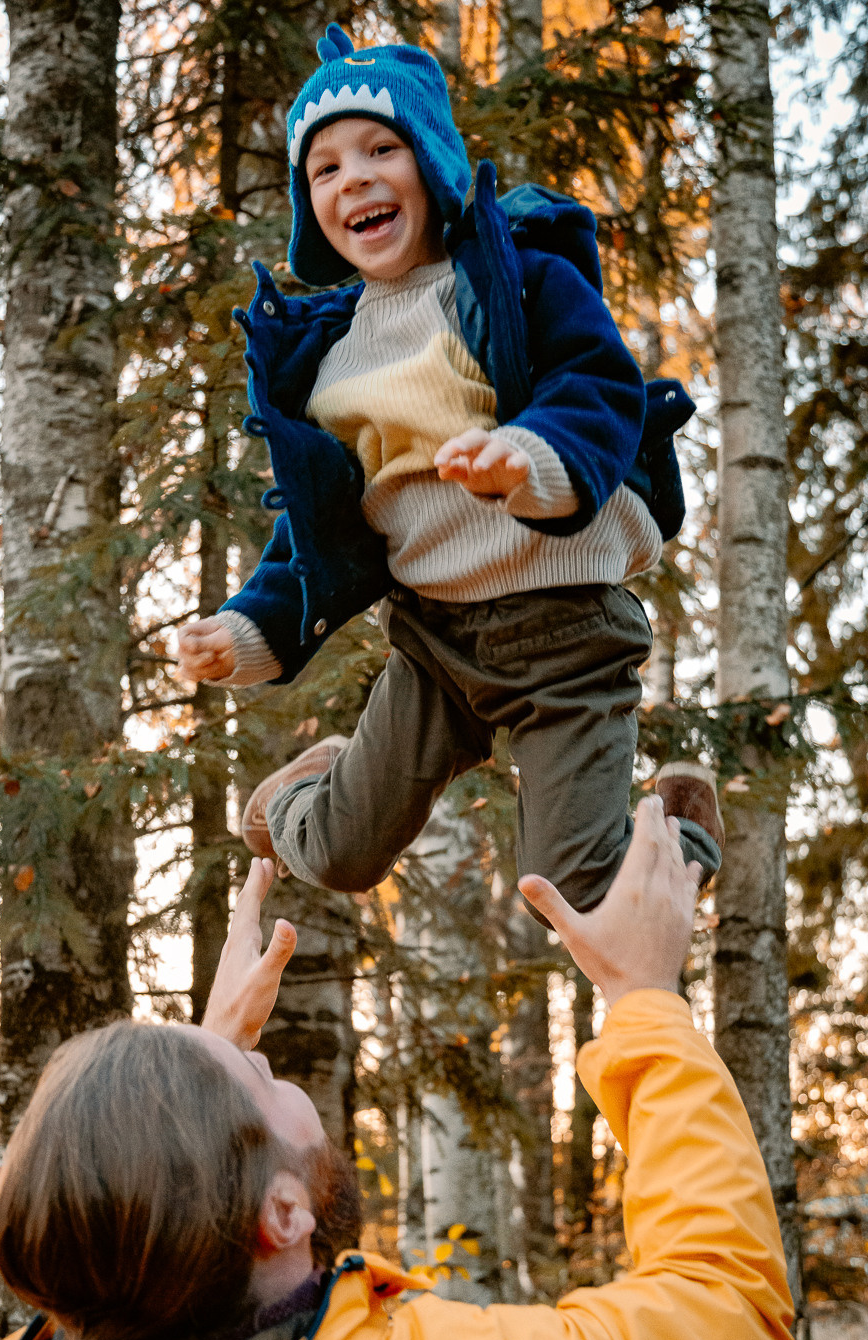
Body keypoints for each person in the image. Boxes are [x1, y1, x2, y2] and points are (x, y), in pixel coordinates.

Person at [0, 798, 795, 1340]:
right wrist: (643, 997)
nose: (263, 1054)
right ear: (280, 1214)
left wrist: (188, 1101)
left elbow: (120, 1239)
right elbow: (722, 1304)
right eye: (257, 1077)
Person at [177, 24, 724, 917]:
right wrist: (245, 629)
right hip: (434, 644)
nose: (353, 177)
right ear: (310, 205)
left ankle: (681, 831)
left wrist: (530, 454)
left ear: (429, 161)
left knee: (576, 898)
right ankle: (302, 795)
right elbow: (319, 533)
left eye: (378, 149)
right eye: (325, 169)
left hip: (567, 631)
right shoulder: (331, 361)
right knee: (344, 856)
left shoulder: (518, 276)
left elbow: (596, 380)